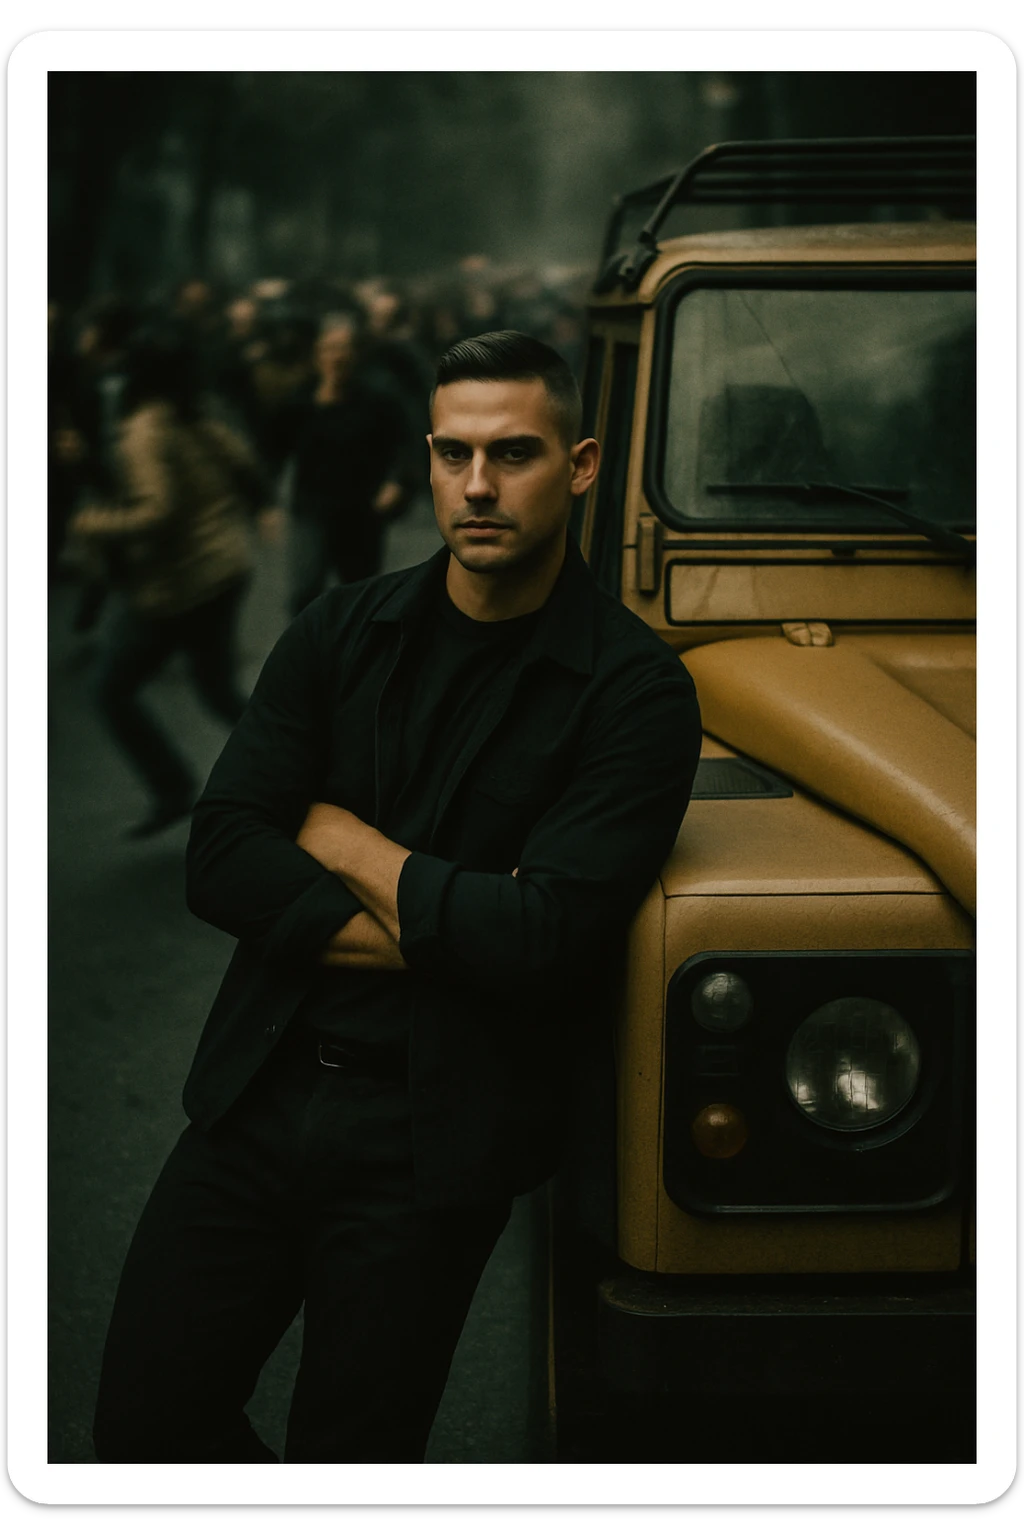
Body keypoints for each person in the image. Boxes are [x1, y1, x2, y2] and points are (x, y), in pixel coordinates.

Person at [92, 330, 703, 1463]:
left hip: (433, 1140)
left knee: (354, 1457)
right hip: (256, 1097)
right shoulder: (337, 632)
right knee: (141, 1424)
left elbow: (545, 941)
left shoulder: (635, 694)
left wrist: (344, 841)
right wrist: (452, 919)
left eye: (513, 454)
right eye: (453, 453)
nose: (477, 486)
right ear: (426, 456)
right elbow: (221, 854)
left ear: (577, 465)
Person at [69, 323, 277, 837]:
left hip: (177, 583)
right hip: (224, 567)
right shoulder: (196, 413)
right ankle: (312, 767)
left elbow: (156, 508)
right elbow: (243, 461)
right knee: (215, 687)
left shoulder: (144, 429)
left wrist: (88, 524)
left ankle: (171, 786)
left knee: (112, 689)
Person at [282, 311, 416, 616]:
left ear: (355, 354)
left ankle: (356, 653)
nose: (336, 357)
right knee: (305, 589)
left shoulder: (377, 397)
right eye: (329, 348)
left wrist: (397, 482)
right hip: (312, 507)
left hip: (361, 508)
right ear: (317, 355)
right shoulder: (301, 400)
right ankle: (308, 652)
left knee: (360, 591)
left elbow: (404, 443)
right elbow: (276, 445)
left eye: (343, 348)